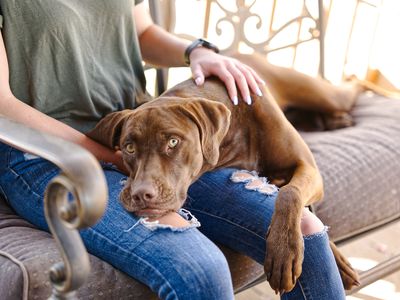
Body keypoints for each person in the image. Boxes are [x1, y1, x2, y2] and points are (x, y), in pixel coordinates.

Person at [0, 1, 346, 299]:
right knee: (200, 270)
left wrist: (197, 51)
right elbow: (3, 105)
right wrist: (116, 157)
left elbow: (141, 32)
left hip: (136, 139)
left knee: (306, 231)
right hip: (46, 155)